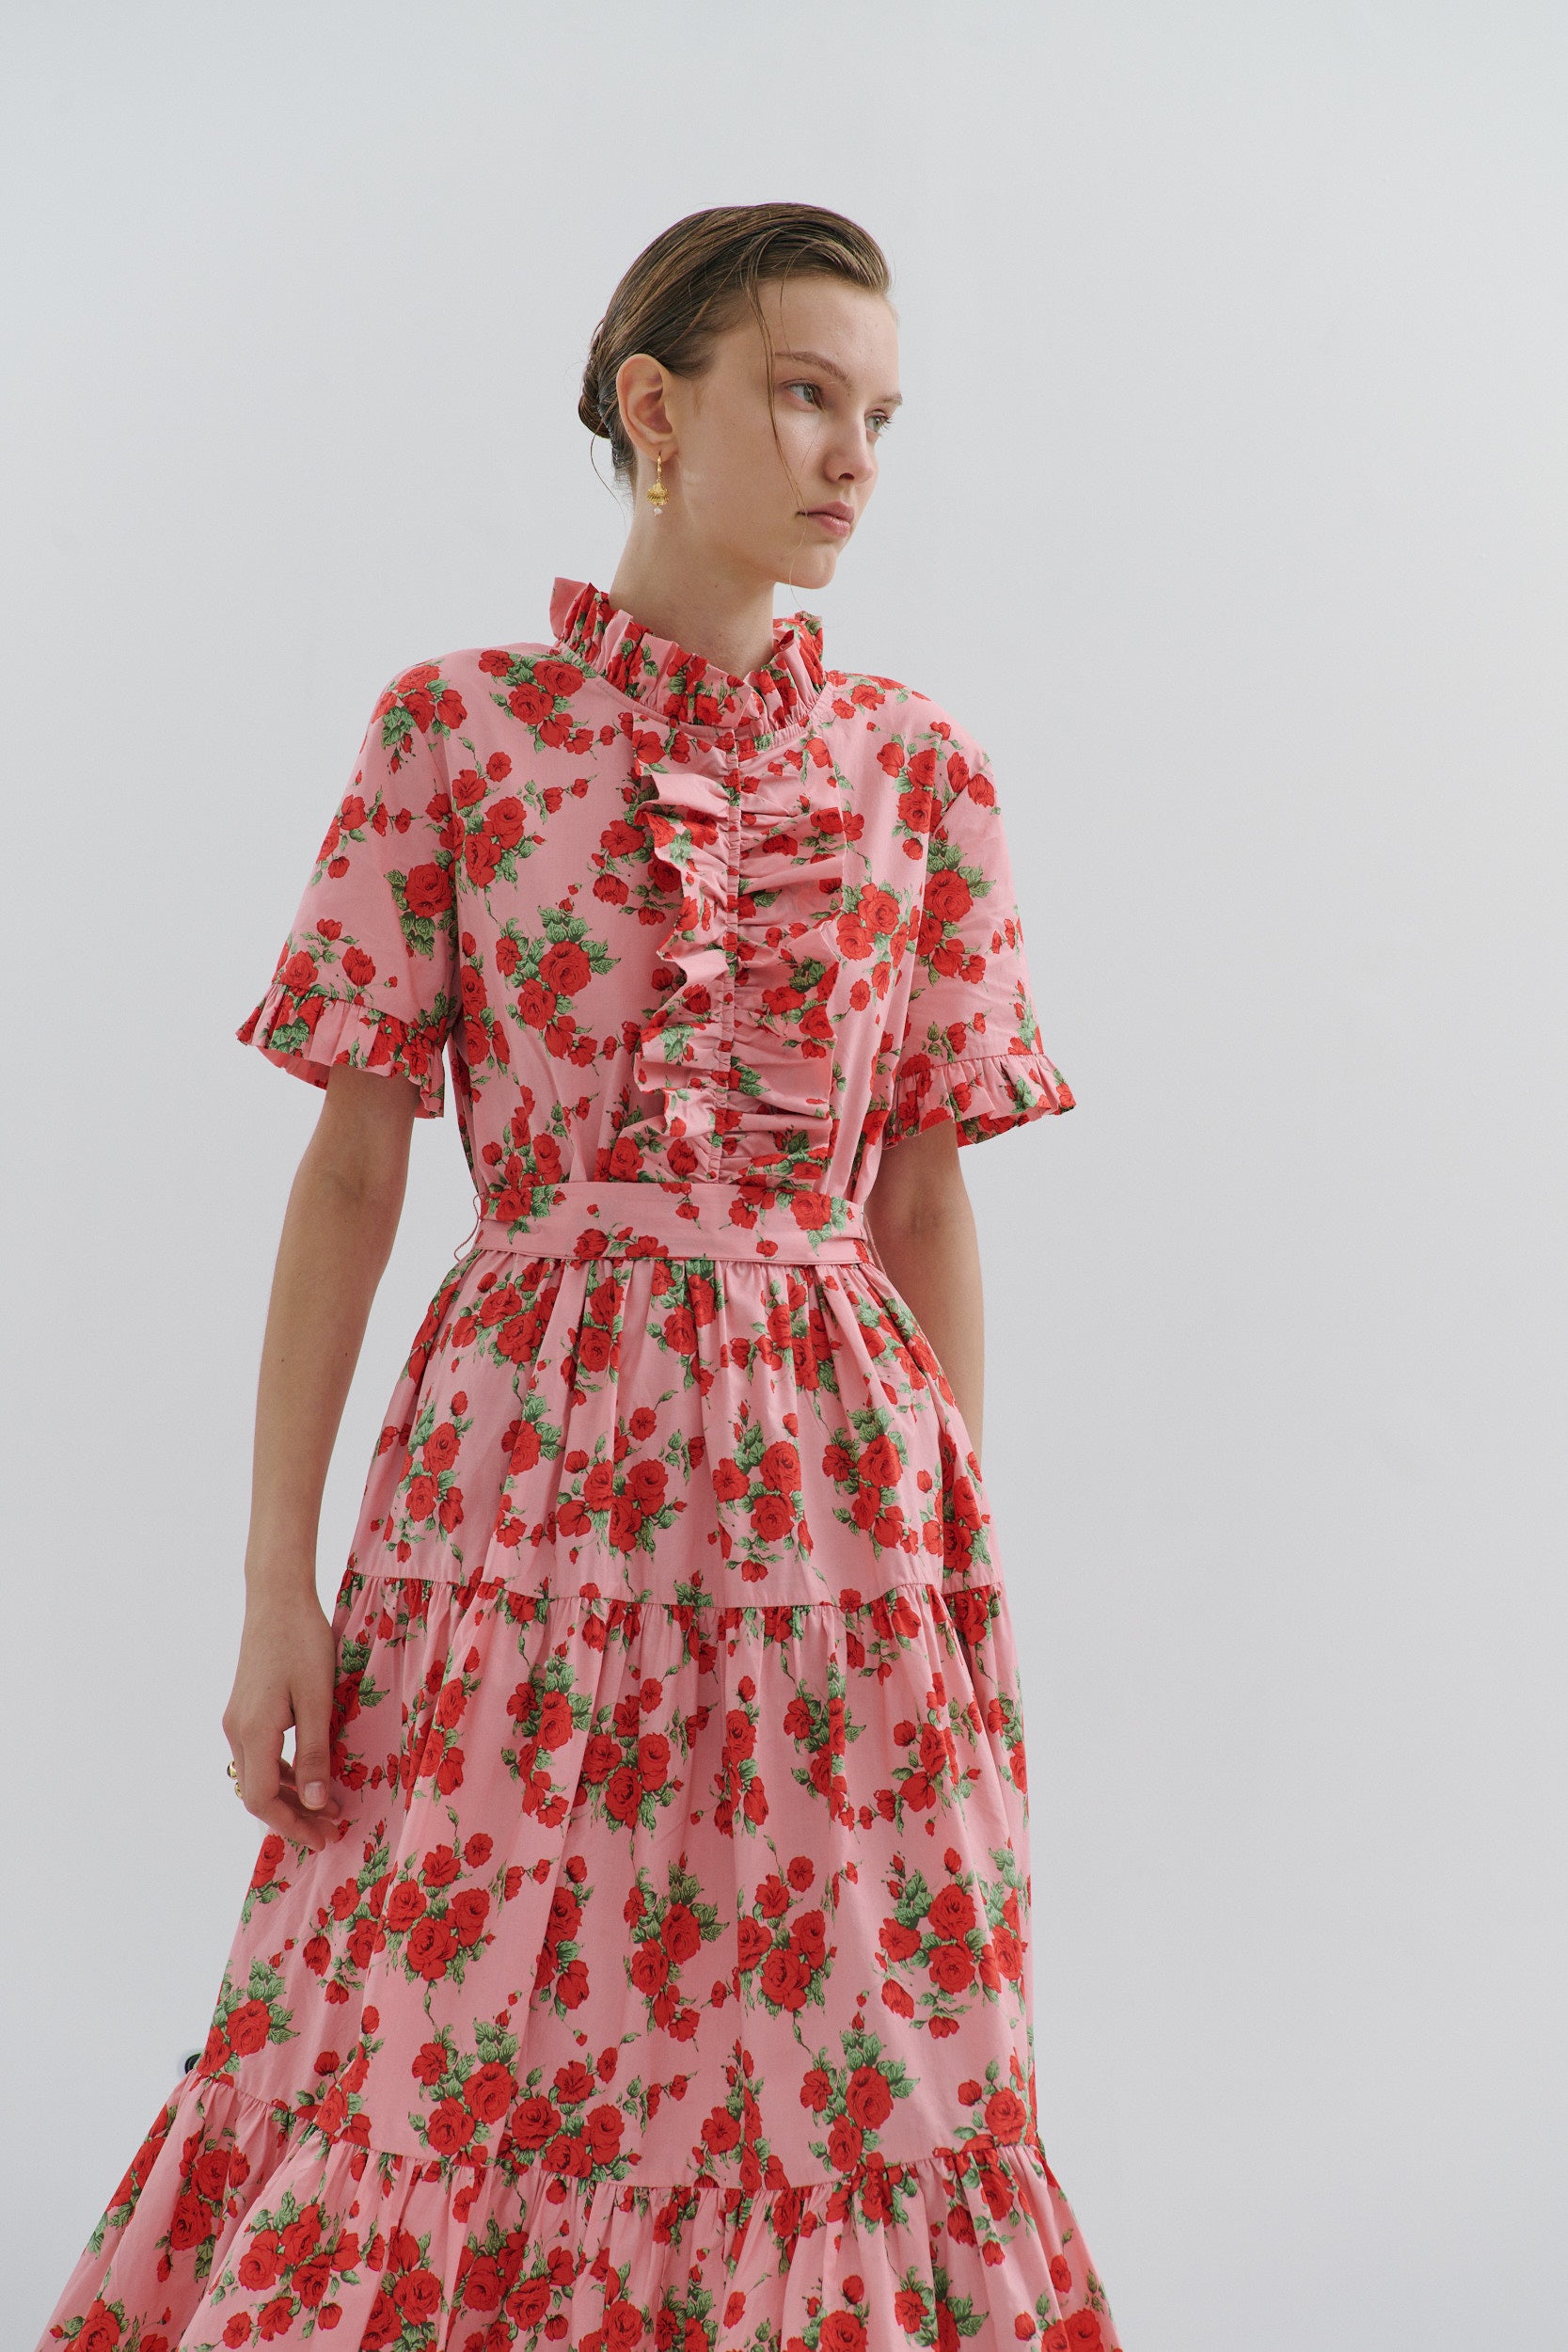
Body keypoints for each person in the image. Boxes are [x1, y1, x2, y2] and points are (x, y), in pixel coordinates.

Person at [35, 201, 1123, 2352]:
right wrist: (277, 1587)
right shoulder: (453, 732)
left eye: (881, 414)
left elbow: (920, 1207)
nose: (851, 458)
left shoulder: (922, 772)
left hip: (843, 1511)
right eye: (804, 393)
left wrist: (954, 1578)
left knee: (843, 2057)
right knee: (449, 2009)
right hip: (518, 1490)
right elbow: (351, 1174)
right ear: (655, 407)